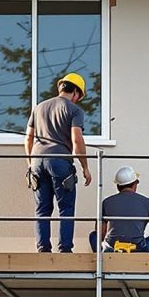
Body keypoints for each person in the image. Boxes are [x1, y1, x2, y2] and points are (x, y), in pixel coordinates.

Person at [24, 72, 94, 253]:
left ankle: (43, 249)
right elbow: (77, 139)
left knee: (42, 209)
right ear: (76, 93)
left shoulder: (39, 107)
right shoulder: (74, 110)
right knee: (66, 207)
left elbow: (28, 139)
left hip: (38, 162)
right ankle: (64, 249)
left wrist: (30, 163)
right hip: (60, 162)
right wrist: (85, 166)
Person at [91, 166, 149, 253]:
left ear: (118, 186)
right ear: (134, 184)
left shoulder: (107, 202)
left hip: (114, 248)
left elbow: (100, 233)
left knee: (93, 236)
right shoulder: (147, 202)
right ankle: (146, 258)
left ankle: (107, 252)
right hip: (138, 248)